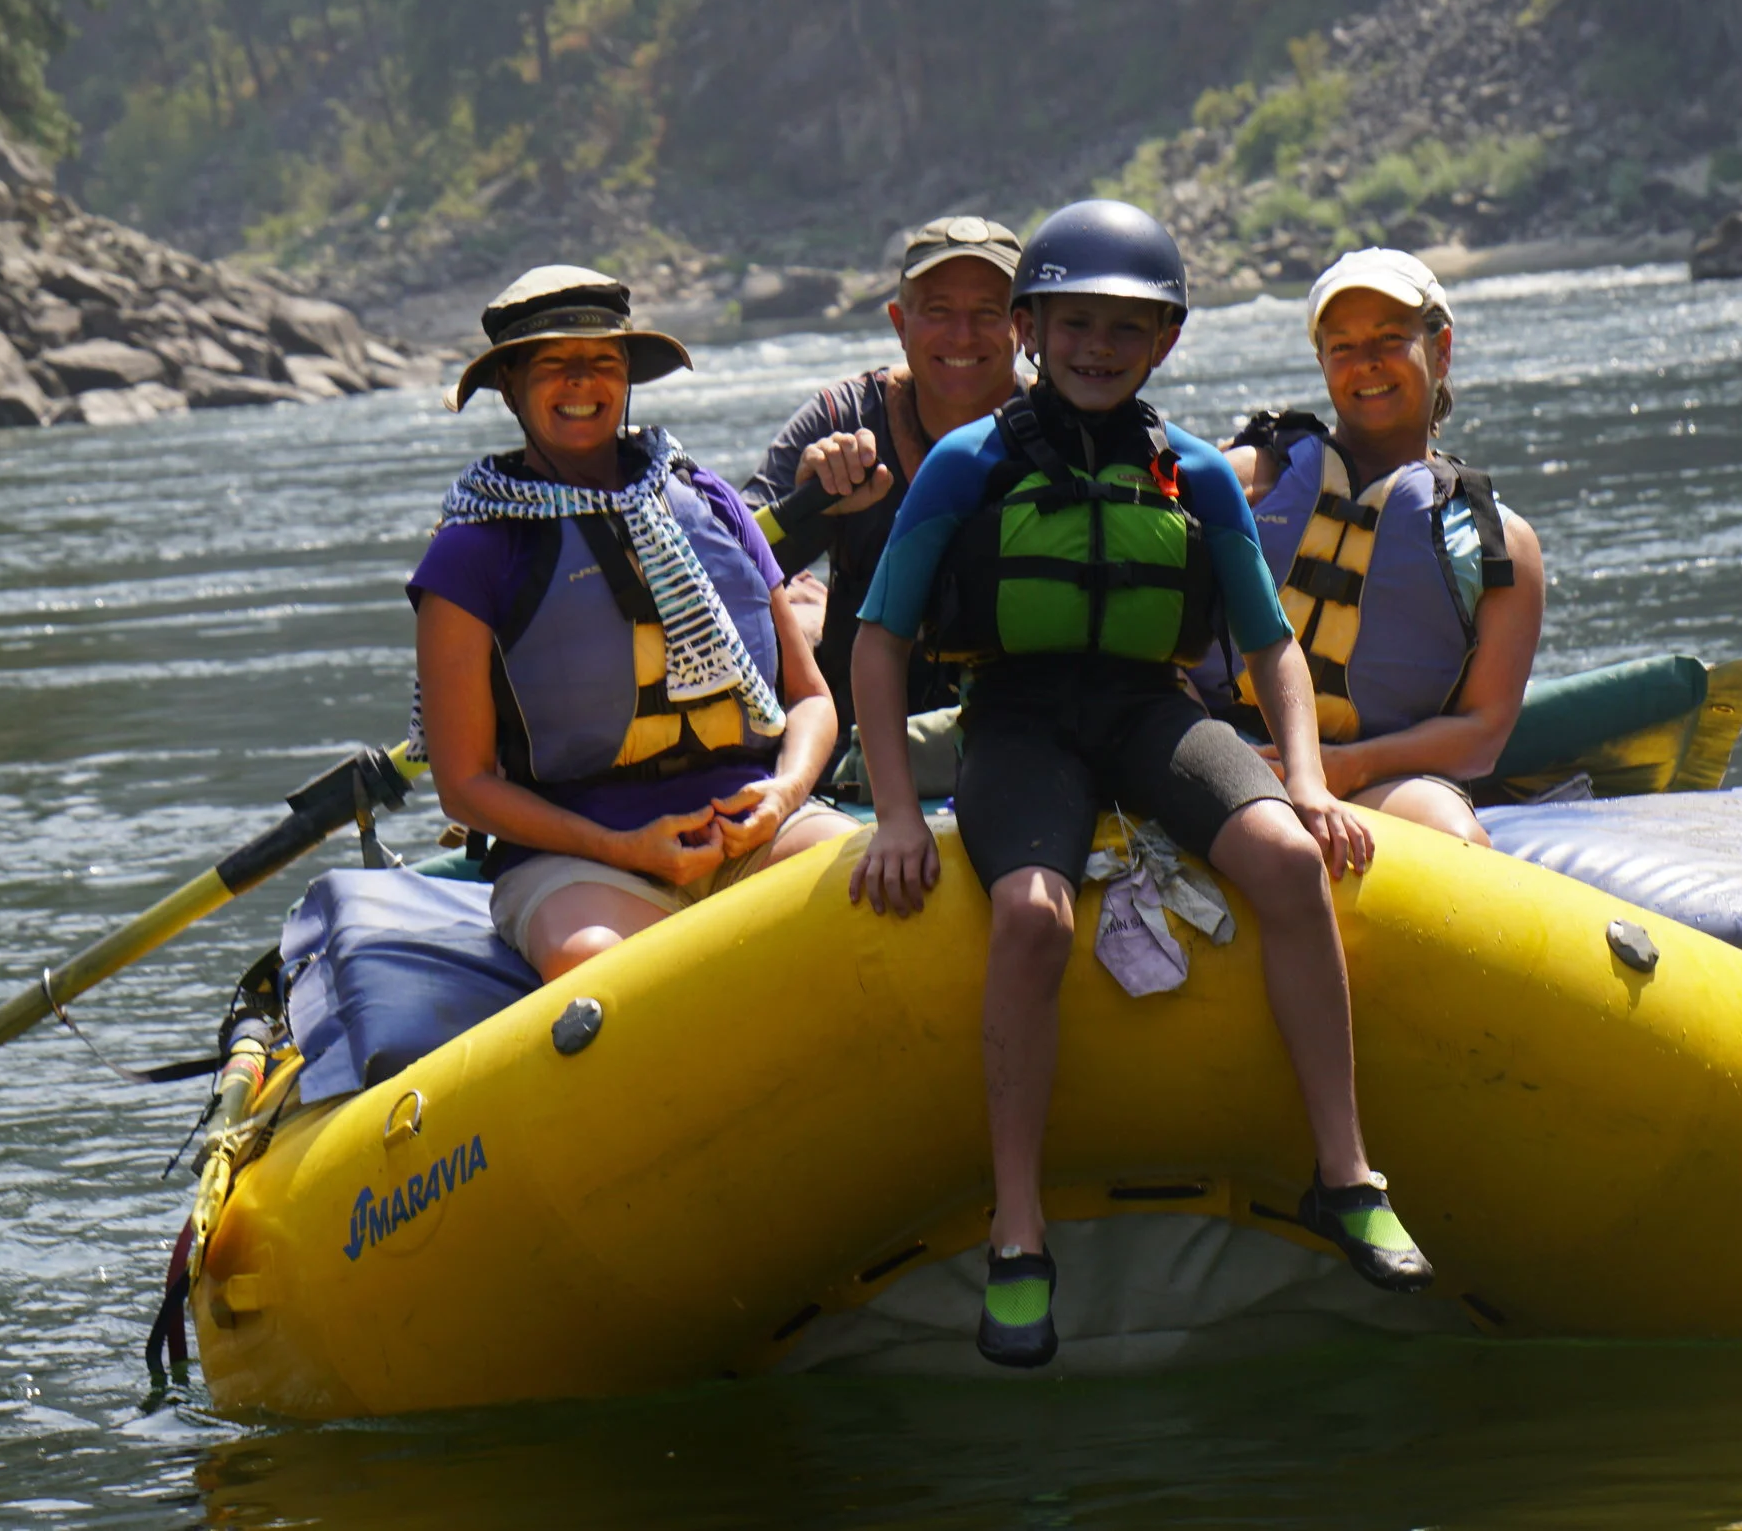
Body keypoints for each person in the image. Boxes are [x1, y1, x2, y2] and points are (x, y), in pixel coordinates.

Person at [845, 202, 1432, 1370]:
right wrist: (898, 812)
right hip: (1017, 718)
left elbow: (1269, 647)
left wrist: (1307, 782)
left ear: (1164, 341)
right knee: (1029, 913)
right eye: (1074, 324)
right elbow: (878, 640)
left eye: (1127, 328)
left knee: (1286, 859)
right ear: (1029, 329)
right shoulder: (967, 463)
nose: (1098, 348)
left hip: (1148, 709)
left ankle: (1345, 1173)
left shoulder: (1194, 472)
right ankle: (1018, 1230)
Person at [410, 267, 854, 980]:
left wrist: (784, 793)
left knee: (870, 885)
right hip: (577, 859)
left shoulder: (707, 499)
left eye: (602, 361)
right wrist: (620, 847)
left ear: (626, 378)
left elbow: (810, 697)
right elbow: (462, 784)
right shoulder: (472, 553)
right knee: (595, 961)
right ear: (510, 387)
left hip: (751, 827)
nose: (581, 381)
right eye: (553, 363)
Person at [1213, 249, 1545, 845]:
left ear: (1441, 350)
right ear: (1322, 361)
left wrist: (1344, 767)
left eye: (1390, 338)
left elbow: (1483, 733)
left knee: (1458, 839)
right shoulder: (1248, 479)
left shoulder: (1501, 544)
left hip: (1380, 775)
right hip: (1226, 742)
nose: (1366, 362)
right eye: (1342, 346)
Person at [742, 216, 1026, 747]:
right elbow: (721, 572)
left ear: (1024, 327)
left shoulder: (1061, 430)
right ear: (900, 324)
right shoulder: (840, 419)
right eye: (938, 311)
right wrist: (813, 514)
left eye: (988, 312)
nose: (962, 335)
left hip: (1020, 737)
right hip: (859, 750)